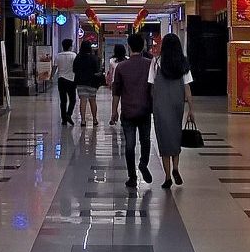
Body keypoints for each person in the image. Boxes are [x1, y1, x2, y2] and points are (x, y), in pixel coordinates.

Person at [148, 33, 195, 189]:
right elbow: (187, 87)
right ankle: (175, 167)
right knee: (175, 135)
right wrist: (191, 109)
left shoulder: (156, 62)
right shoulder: (183, 63)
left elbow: (151, 85)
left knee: (163, 138)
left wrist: (153, 103)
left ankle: (167, 177)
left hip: (161, 104)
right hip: (177, 104)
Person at [111, 34, 153, 188]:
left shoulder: (121, 67)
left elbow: (116, 92)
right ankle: (143, 163)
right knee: (145, 140)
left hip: (128, 111)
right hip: (145, 109)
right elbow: (154, 88)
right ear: (143, 46)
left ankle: (132, 177)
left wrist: (114, 112)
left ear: (129, 46)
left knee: (129, 144)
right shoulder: (150, 65)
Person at [73, 40, 102, 126]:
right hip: (92, 82)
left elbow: (74, 69)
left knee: (83, 101)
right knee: (92, 100)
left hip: (80, 82)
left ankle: (83, 120)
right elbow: (96, 70)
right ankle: (94, 119)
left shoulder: (78, 58)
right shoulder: (93, 58)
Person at [54, 39, 77, 126]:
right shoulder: (74, 55)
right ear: (70, 46)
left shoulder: (58, 56)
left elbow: (54, 67)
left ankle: (64, 119)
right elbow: (76, 68)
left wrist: (51, 76)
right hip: (71, 80)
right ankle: (69, 114)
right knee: (72, 99)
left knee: (63, 101)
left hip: (61, 80)